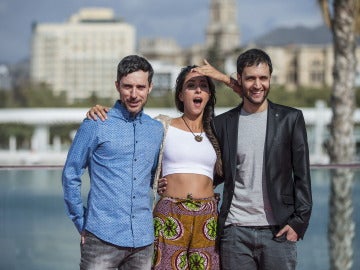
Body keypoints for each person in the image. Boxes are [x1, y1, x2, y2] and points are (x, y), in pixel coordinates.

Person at [159, 48, 313, 270]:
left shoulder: (290, 119)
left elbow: (302, 176)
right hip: (234, 231)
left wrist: (299, 222)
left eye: (263, 78)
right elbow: (211, 166)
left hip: (278, 230)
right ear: (240, 80)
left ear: (271, 79)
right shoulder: (223, 124)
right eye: (250, 78)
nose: (258, 84)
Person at [87, 65, 224, 270]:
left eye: (203, 86)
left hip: (207, 216)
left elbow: (249, 100)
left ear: (209, 95)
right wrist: (101, 110)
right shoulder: (161, 125)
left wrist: (224, 78)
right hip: (170, 214)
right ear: (180, 94)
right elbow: (131, 126)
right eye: (191, 86)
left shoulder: (218, 130)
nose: (197, 90)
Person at [62, 55, 164, 269]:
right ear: (117, 86)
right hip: (101, 237)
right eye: (127, 87)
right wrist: (81, 223)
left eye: (140, 87)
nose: (134, 94)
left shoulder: (155, 130)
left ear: (150, 87)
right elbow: (71, 174)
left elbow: (150, 176)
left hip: (143, 240)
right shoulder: (96, 123)